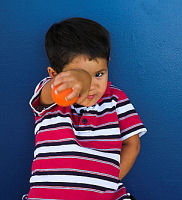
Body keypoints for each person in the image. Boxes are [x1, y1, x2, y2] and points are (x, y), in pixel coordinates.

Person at [25, 17, 147, 200]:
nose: (91, 86)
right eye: (81, 76)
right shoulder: (52, 95)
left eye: (99, 74)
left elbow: (133, 144)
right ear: (54, 75)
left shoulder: (116, 99)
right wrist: (76, 81)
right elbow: (50, 91)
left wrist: (109, 180)